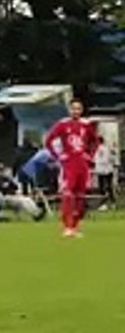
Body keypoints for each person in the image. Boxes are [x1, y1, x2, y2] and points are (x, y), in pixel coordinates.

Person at [44, 99, 98, 237]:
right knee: (68, 194)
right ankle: (67, 226)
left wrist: (89, 155)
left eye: (78, 109)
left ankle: (75, 227)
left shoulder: (86, 125)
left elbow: (95, 141)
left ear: (82, 110)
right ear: (69, 109)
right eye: (73, 108)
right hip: (69, 164)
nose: (76, 111)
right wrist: (58, 156)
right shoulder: (63, 124)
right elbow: (49, 140)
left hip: (82, 164)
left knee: (80, 196)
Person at [92, 136, 116, 208]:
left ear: (98, 141)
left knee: (103, 187)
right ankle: (111, 203)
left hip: (103, 170)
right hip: (107, 170)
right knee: (108, 187)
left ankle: (105, 204)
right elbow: (111, 158)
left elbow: (101, 160)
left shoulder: (100, 149)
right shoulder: (106, 148)